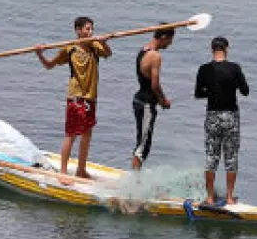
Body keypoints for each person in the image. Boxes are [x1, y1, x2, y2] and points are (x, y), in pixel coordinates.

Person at [36, 16, 112, 179]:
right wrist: (40, 54)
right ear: (78, 31)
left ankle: (81, 169)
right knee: (71, 134)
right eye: (87, 29)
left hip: (91, 97)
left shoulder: (95, 45)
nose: (90, 32)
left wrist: (104, 42)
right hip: (76, 96)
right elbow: (50, 65)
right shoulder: (69, 49)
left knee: (87, 134)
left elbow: (108, 54)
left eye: (91, 29)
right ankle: (63, 173)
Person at [193, 35, 248, 206]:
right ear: (227, 48)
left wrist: (211, 91)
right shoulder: (235, 68)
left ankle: (209, 198)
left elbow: (198, 93)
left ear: (212, 50)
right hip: (231, 116)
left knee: (211, 156)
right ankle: (230, 198)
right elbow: (245, 91)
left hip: (212, 116)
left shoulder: (203, 69)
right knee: (231, 158)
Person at [130, 27, 174, 170]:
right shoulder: (155, 56)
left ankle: (136, 176)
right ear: (163, 37)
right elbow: (155, 85)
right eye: (170, 39)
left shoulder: (143, 50)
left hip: (139, 100)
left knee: (142, 142)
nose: (170, 43)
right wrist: (163, 101)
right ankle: (134, 181)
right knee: (143, 146)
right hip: (146, 103)